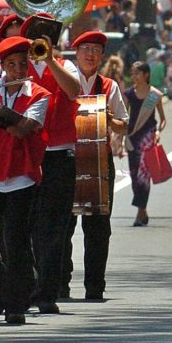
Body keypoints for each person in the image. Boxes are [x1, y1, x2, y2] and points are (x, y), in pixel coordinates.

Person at [0, 36, 51, 325]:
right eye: (12, 65)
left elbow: (22, 130)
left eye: (22, 64)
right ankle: (3, 293)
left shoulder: (39, 94)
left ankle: (15, 306)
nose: (18, 70)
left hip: (20, 176)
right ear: (2, 67)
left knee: (16, 242)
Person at [13, 14, 82, 314]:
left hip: (58, 154)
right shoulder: (18, 68)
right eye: (34, 38)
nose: (38, 43)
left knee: (54, 228)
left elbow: (74, 91)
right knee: (25, 225)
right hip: (27, 152)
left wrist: (51, 59)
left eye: (44, 38)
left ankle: (47, 292)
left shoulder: (65, 65)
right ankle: (26, 286)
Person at [62, 31, 129, 301]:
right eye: (85, 49)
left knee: (98, 226)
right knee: (64, 225)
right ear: (76, 53)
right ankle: (59, 283)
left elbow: (124, 125)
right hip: (67, 159)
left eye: (96, 50)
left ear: (102, 56)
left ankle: (94, 286)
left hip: (100, 160)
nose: (90, 54)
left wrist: (111, 120)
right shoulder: (65, 79)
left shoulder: (109, 86)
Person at [124, 61, 167, 227]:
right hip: (133, 138)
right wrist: (119, 139)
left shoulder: (154, 95)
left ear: (146, 75)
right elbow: (123, 117)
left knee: (144, 176)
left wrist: (158, 132)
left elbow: (163, 120)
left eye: (137, 73)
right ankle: (143, 210)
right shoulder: (128, 94)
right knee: (135, 176)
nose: (134, 76)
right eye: (133, 73)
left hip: (148, 138)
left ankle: (140, 211)